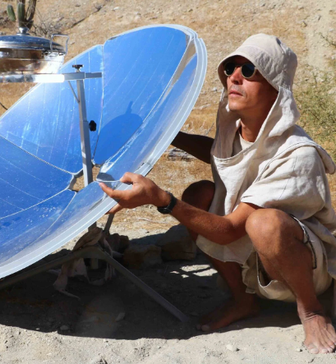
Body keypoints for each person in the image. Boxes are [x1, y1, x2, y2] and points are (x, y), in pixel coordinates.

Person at [99, 34, 336, 354]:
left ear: (276, 88)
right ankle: (244, 301)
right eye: (230, 68)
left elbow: (228, 232)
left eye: (249, 70)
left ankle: (312, 312)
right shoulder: (234, 124)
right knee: (200, 194)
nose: (234, 76)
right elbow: (222, 155)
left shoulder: (297, 154)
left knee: (264, 224)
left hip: (307, 266)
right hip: (259, 256)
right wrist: (167, 135)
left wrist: (161, 199)